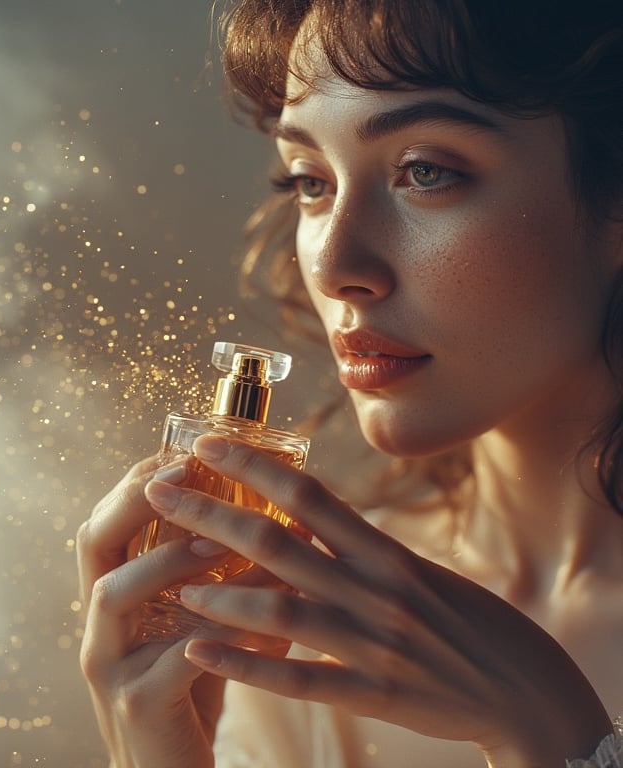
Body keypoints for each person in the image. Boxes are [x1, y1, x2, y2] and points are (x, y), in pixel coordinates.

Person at [76, 1, 623, 765]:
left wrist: (557, 734)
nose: (333, 266)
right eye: (309, 181)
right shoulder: (307, 619)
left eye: (425, 171)